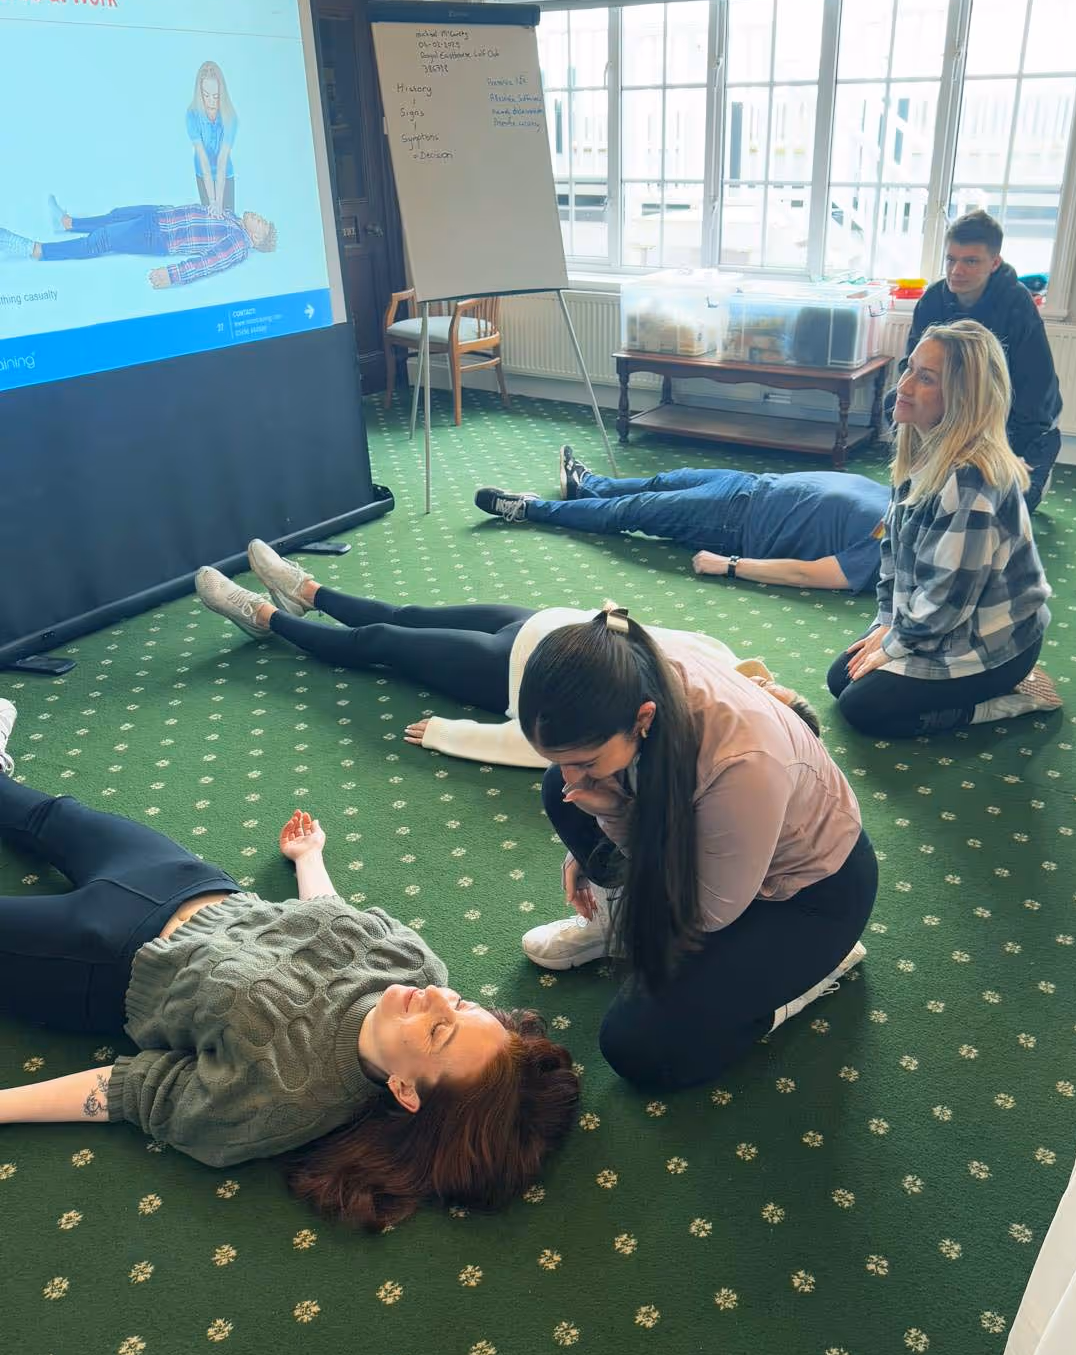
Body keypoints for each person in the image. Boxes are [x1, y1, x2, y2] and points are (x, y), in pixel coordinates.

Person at [0, 701, 578, 1231]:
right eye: (460, 1004)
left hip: (99, 959)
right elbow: (331, 923)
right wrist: (309, 859)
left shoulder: (288, 1098)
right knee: (49, 815)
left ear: (405, 1090)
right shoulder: (417, 965)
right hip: (188, 880)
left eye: (437, 1031)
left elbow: (134, 1092)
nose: (431, 998)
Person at [513, 608, 878, 1092]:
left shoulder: (744, 763)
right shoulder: (631, 674)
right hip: (714, 859)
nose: (572, 773)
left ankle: (805, 980)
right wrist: (596, 824)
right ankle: (617, 925)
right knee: (558, 790)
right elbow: (657, 807)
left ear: (643, 718)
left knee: (639, 1047)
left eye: (586, 760)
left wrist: (614, 815)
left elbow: (706, 911)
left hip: (806, 897)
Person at [193, 545, 817, 768]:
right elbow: (640, 629)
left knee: (380, 643)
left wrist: (450, 733)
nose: (767, 692)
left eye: (775, 706)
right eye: (779, 692)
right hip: (548, 621)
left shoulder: (672, 725)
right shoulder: (724, 656)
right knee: (406, 613)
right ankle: (306, 591)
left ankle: (263, 616)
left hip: (510, 671)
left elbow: (553, 744)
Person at [827, 321, 1060, 739]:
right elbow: (893, 558)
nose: (903, 385)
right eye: (909, 368)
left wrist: (894, 645)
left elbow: (947, 601)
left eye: (926, 378)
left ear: (961, 399)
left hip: (995, 644)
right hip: (942, 624)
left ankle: (1008, 700)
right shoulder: (920, 450)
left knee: (862, 708)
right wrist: (887, 624)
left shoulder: (971, 480)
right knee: (840, 679)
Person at [474, 448, 890, 593]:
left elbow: (811, 574)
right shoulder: (907, 497)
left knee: (632, 511)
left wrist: (730, 566)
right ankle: (587, 486)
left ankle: (528, 509)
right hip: (752, 483)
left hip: (737, 522)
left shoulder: (890, 545)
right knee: (662, 481)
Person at [900, 210, 1062, 510]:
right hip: (953, 412)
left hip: (1013, 419)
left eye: (971, 261)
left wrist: (1008, 454)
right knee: (927, 500)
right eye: (951, 259)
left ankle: (1038, 476)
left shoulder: (1017, 304)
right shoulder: (933, 300)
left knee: (1003, 508)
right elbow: (908, 366)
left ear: (995, 262)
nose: (956, 271)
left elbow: (1036, 389)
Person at [0, 202, 277, 288]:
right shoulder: (232, 218)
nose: (259, 217)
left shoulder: (238, 242)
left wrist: (173, 275)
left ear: (255, 239)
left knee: (103, 239)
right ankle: (69, 223)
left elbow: (208, 263)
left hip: (159, 236)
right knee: (117, 215)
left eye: (262, 223)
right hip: (161, 216)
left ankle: (36, 250)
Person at [187, 61, 238, 216]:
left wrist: (219, 202)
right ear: (200, 93)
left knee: (226, 217)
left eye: (216, 96)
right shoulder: (192, 115)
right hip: (203, 175)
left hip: (225, 176)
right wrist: (212, 201)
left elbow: (222, 161)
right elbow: (203, 160)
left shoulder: (230, 118)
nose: (211, 102)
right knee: (209, 216)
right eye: (206, 95)